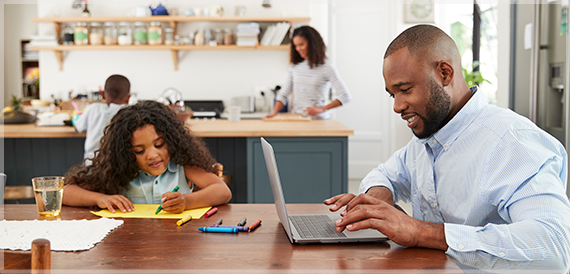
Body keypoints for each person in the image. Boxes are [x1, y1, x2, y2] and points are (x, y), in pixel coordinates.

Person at [324, 24, 570, 271]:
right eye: (392, 95)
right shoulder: (427, 138)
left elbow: (555, 247)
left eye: (405, 90)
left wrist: (420, 232)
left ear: (445, 73)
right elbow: (384, 174)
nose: (397, 107)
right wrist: (378, 200)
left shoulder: (511, 141)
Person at [63, 100, 232, 214]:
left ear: (171, 140)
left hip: (180, 246)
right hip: (131, 247)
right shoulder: (117, 171)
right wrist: (100, 198)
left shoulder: (182, 165)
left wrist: (187, 202)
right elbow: (64, 193)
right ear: (125, 153)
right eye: (139, 151)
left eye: (159, 145)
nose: (152, 155)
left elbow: (222, 191)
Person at [264, 26, 351, 120]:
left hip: (318, 121)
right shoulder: (295, 66)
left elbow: (345, 95)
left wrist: (322, 109)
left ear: (313, 44)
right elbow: (284, 93)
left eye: (301, 44)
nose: (298, 49)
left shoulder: (326, 67)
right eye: (296, 46)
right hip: (298, 119)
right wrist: (274, 113)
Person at [74, 74, 131, 165]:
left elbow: (78, 126)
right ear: (128, 97)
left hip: (91, 164)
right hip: (118, 166)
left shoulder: (93, 108)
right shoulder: (129, 112)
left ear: (103, 94)